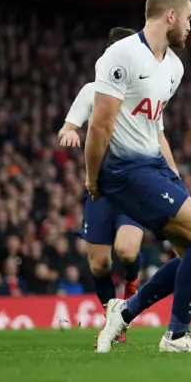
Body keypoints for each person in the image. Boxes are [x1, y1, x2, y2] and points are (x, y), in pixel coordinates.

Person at [85, 0, 191, 353]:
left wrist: (173, 174)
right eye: (189, 18)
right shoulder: (122, 54)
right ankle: (176, 335)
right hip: (124, 170)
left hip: (154, 165)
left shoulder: (174, 67)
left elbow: (154, 125)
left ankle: (125, 313)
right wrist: (93, 178)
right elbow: (99, 125)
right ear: (171, 16)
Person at [58, 27, 143, 344]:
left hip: (134, 187)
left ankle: (132, 280)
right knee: (99, 263)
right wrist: (69, 133)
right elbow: (69, 124)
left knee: (127, 249)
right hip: (99, 189)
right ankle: (114, 322)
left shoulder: (143, 95)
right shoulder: (93, 90)